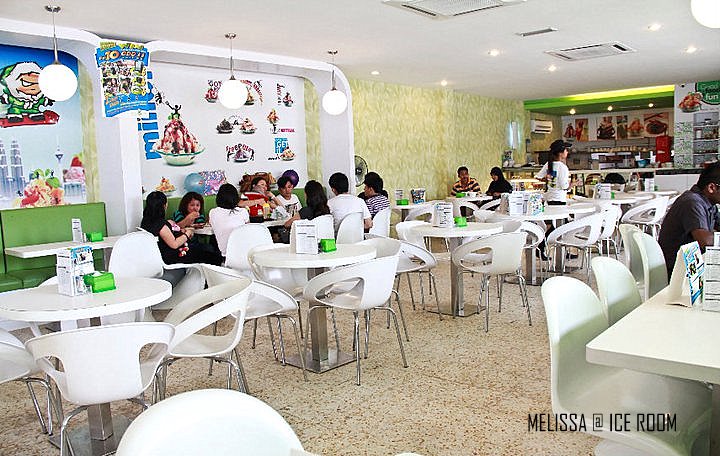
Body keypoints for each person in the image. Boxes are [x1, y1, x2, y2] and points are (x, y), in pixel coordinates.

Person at [658, 162, 720, 277]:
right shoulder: (692, 202)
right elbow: (705, 241)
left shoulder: (709, 204)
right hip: (678, 271)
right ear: (712, 188)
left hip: (691, 264)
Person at [140, 191, 222, 265]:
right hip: (173, 255)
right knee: (210, 254)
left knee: (208, 250)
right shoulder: (161, 225)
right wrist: (187, 234)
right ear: (164, 206)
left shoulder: (146, 222)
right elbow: (174, 244)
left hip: (164, 253)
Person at [208, 183, 250, 258]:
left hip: (226, 255)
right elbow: (248, 229)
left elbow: (211, 224)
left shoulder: (213, 212)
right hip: (245, 253)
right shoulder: (243, 211)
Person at [535, 140, 574, 205]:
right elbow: (564, 187)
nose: (567, 152)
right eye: (566, 150)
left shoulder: (548, 164)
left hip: (549, 198)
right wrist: (573, 184)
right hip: (559, 199)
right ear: (560, 153)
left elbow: (538, 177)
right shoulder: (563, 167)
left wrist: (549, 179)